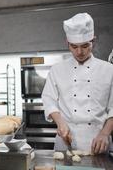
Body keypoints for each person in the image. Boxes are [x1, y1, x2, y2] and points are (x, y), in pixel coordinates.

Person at [42, 13, 113, 154]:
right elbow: (48, 100)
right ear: (67, 43)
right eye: (74, 47)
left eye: (85, 46)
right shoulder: (57, 70)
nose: (79, 52)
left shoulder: (109, 70)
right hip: (65, 140)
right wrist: (60, 123)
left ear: (93, 41)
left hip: (98, 142)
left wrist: (105, 133)